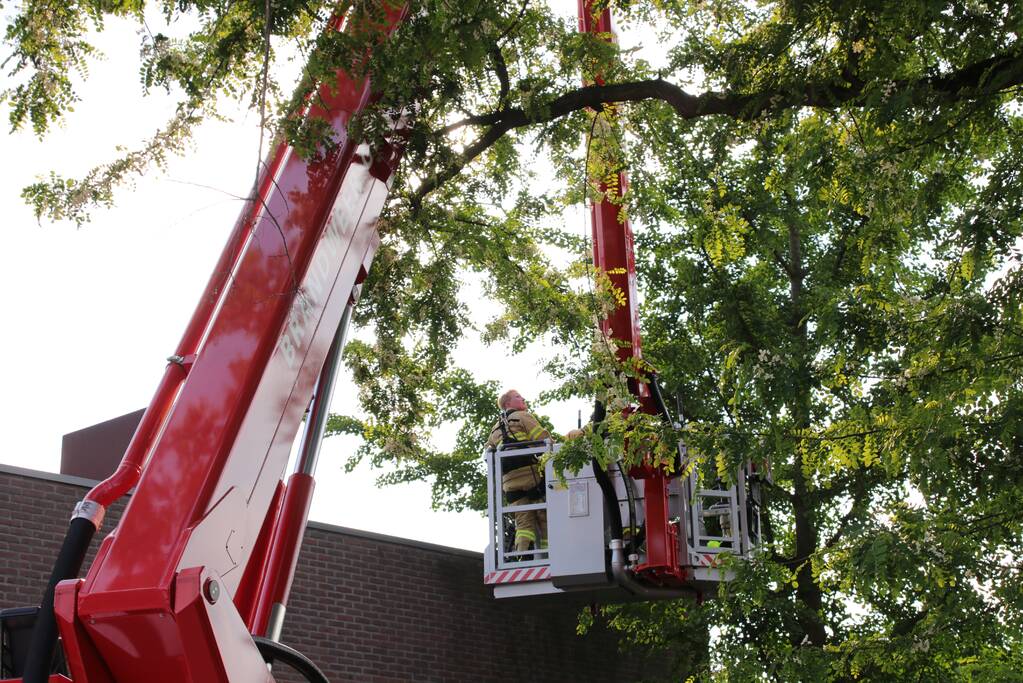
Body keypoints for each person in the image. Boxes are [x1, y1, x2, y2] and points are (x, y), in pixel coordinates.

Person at [486, 389, 550, 554]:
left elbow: (488, 452)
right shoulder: (523, 416)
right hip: (531, 478)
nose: (523, 398)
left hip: (509, 484)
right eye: (518, 397)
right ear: (508, 403)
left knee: (523, 523)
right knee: (544, 516)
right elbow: (543, 438)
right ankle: (548, 553)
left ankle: (521, 556)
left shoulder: (494, 428)